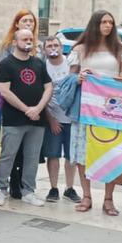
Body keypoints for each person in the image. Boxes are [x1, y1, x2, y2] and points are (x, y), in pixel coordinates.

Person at [69, 10, 122, 215]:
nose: (107, 25)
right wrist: (78, 78)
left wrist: (101, 79)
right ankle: (86, 195)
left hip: (111, 109)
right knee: (83, 152)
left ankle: (108, 198)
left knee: (110, 151)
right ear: (95, 24)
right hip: (86, 107)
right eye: (103, 22)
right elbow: (68, 78)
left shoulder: (120, 50)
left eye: (111, 22)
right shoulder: (80, 49)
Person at [0, 29, 52, 207]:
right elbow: (4, 91)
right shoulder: (6, 64)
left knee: (32, 157)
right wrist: (27, 109)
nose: (28, 41)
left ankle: (29, 191)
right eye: (24, 39)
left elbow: (48, 87)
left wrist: (38, 109)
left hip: (37, 119)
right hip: (14, 119)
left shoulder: (38, 63)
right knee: (8, 155)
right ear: (14, 42)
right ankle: (1, 189)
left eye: (30, 39)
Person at [41, 36, 79, 203]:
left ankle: (69, 188)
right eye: (49, 46)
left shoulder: (70, 65)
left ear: (61, 46)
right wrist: (51, 120)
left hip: (71, 117)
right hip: (53, 117)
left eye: (55, 45)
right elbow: (41, 96)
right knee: (53, 155)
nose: (52, 48)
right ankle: (54, 188)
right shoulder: (42, 67)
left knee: (71, 156)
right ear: (44, 49)